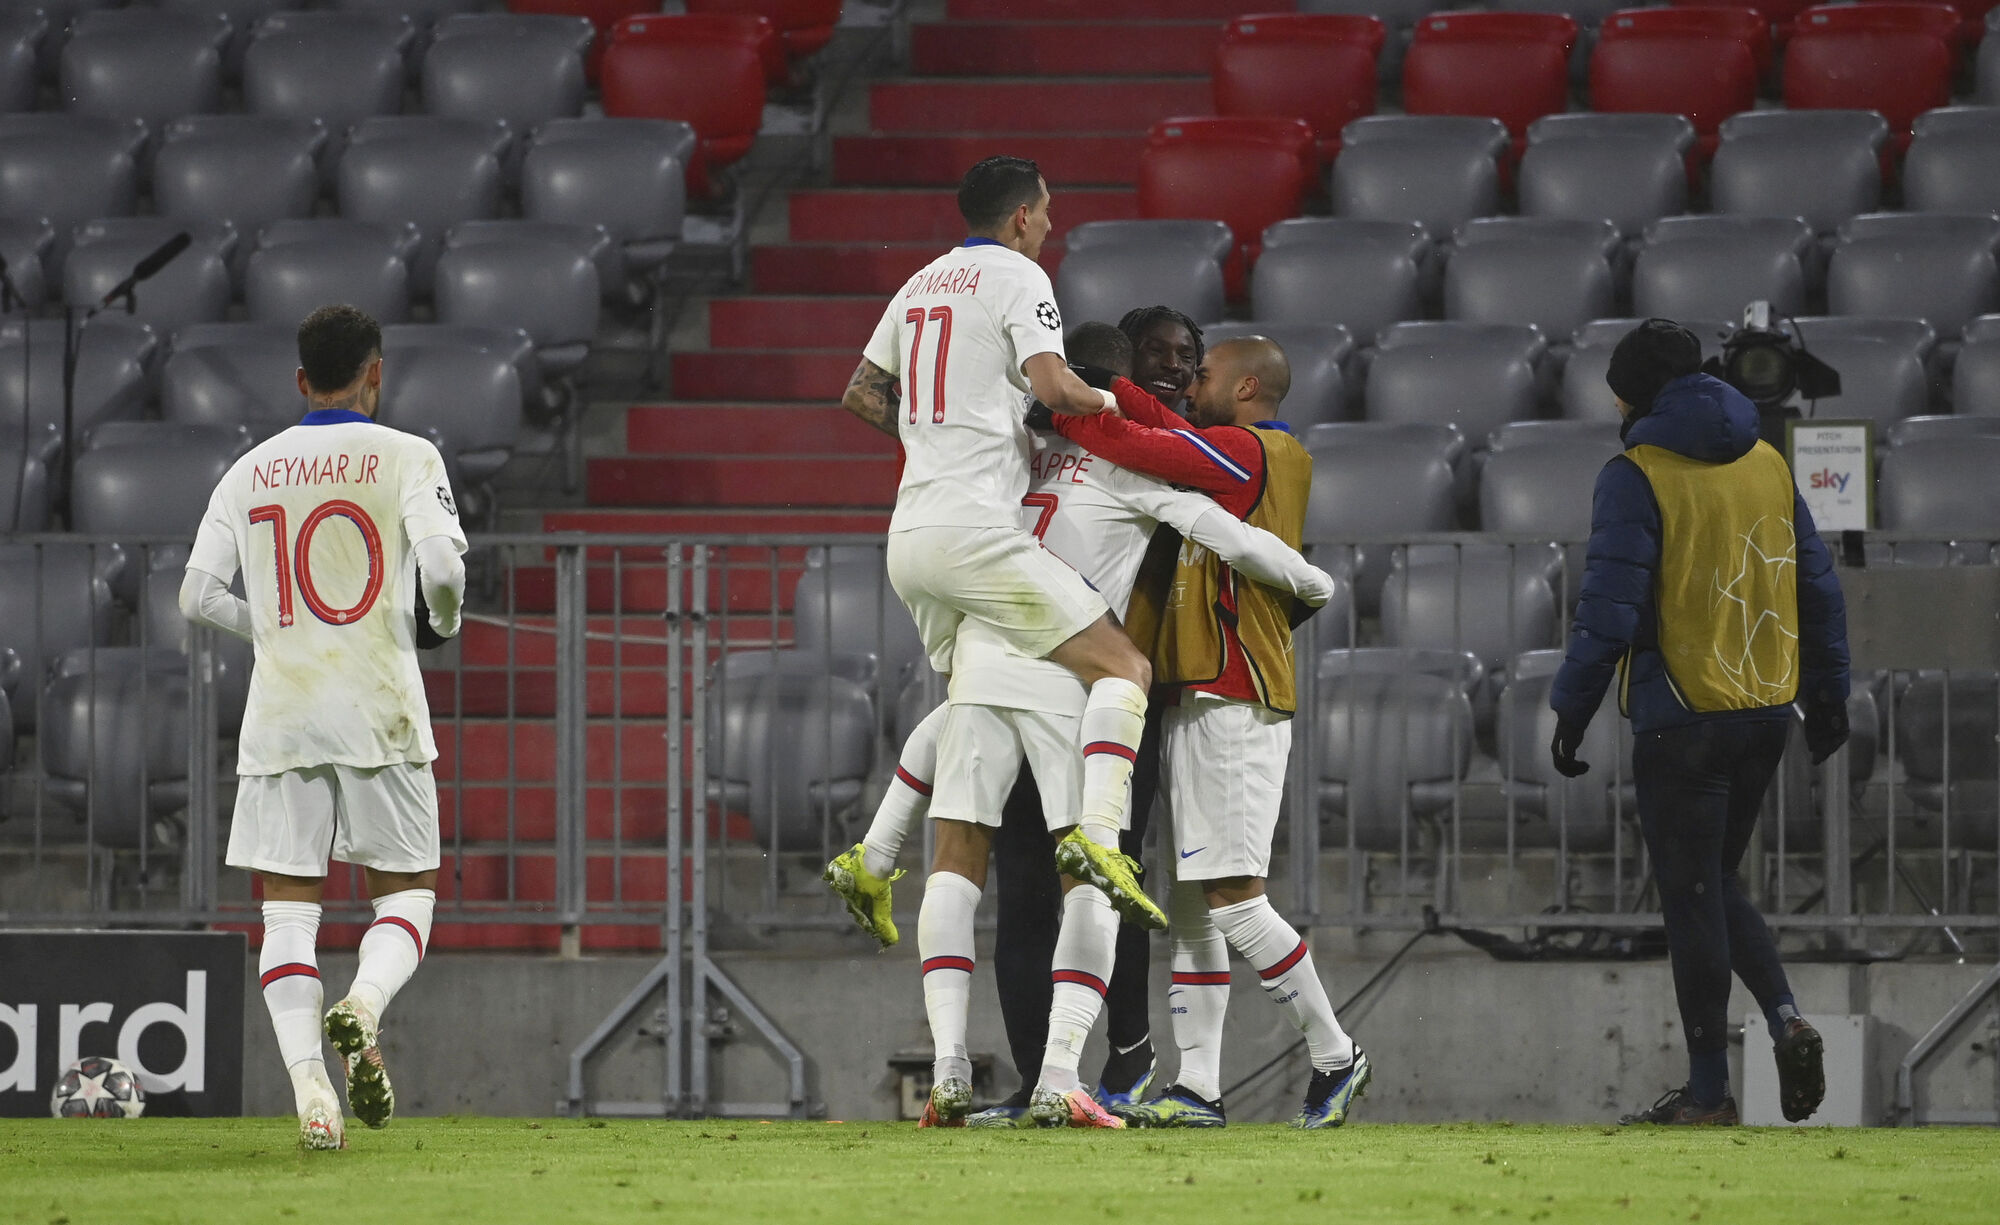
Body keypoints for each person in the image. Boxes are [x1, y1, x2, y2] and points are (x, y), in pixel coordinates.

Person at [830, 322, 1336, 1128]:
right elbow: (1224, 531)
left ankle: (947, 1057)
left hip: (982, 664)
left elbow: (909, 431)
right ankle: (1061, 1075)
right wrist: (1311, 583)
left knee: (957, 861)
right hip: (1071, 681)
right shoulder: (1129, 466)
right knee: (1092, 874)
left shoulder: (1010, 459)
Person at [1049, 336, 1370, 1130]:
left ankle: (1336, 1054)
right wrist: (1109, 384)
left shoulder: (1257, 451)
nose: (1191, 383)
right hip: (1201, 691)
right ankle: (1198, 1086)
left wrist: (1069, 409)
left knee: (1232, 897)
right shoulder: (1234, 451)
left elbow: (1149, 446)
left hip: (1237, 691)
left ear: (1249, 386)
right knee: (1194, 903)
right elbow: (1165, 426)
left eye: (1206, 374)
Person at [1549, 318, 1850, 1126]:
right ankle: (1786, 1018)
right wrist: (1829, 696)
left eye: (1618, 392)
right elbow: (1819, 588)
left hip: (1682, 713)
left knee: (1689, 898)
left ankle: (1710, 1090)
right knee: (1714, 880)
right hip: (1767, 706)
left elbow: (1608, 609)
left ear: (1636, 395)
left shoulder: (1635, 473)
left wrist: (1571, 709)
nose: (1615, 404)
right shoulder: (1767, 461)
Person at [180, 305, 467, 1151]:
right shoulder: (408, 454)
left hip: (285, 714)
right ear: (376, 373)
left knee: (287, 914)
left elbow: (196, 595)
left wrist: (273, 629)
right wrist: (443, 621)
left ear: (301, 380)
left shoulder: (248, 470)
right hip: (378, 706)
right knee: (407, 893)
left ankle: (312, 1092)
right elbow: (443, 567)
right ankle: (363, 1006)